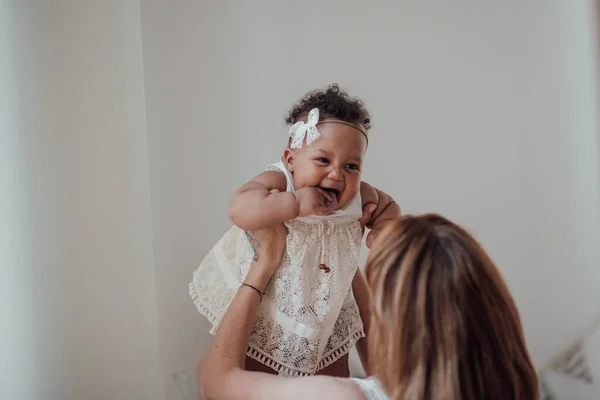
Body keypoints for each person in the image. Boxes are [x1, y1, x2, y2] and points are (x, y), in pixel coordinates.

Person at [199, 214, 540, 400]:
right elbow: (391, 374)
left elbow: (215, 382)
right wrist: (342, 259)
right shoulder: (513, 390)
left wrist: (263, 264)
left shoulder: (344, 397)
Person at [190, 84, 400, 377]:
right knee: (258, 366)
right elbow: (239, 207)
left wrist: (383, 230)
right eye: (323, 160)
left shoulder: (357, 198)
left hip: (325, 304)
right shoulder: (281, 180)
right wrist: (292, 203)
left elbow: (388, 204)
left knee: (335, 370)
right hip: (270, 300)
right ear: (291, 160)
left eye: (351, 166)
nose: (337, 174)